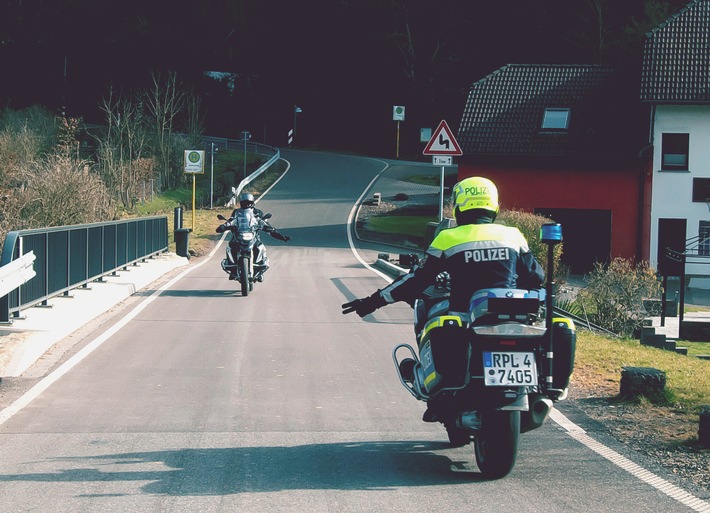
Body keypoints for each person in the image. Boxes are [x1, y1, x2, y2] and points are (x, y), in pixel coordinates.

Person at [341, 176, 545, 419]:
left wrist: (372, 302)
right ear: (494, 206)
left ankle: (437, 392)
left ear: (459, 206)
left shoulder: (449, 238)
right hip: (511, 318)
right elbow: (536, 276)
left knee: (435, 320)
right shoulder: (513, 235)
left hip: (466, 318)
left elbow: (416, 281)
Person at [216, 193, 291, 280]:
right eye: (245, 203)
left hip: (253, 236)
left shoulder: (258, 212)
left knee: (259, 246)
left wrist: (280, 236)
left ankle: (260, 265)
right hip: (239, 235)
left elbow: (264, 223)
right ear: (241, 203)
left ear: (252, 203)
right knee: (230, 246)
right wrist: (224, 226)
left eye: (248, 203)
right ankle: (232, 267)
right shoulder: (237, 212)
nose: (247, 205)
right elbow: (232, 220)